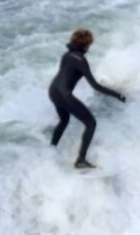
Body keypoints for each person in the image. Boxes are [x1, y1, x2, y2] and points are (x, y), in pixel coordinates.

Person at [48, 28, 126, 169]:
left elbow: (64, 76)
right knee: (91, 123)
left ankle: (51, 150)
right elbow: (95, 86)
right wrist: (117, 95)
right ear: (85, 45)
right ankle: (80, 160)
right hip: (65, 95)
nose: (89, 47)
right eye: (89, 45)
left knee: (64, 120)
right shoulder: (81, 60)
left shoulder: (67, 55)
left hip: (53, 91)